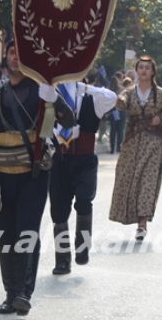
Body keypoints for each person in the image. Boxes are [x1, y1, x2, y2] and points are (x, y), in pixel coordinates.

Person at [0, 41, 74, 317]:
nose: (16, 58)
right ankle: (10, 293)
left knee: (27, 232)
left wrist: (52, 98)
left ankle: (25, 293)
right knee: (4, 234)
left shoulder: (41, 90)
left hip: (32, 174)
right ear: (6, 57)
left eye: (21, 54)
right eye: (13, 53)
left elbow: (69, 118)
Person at [50, 75, 117, 275]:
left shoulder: (91, 98)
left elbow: (112, 98)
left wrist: (87, 89)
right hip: (60, 159)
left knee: (84, 201)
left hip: (85, 159)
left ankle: (82, 247)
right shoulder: (52, 96)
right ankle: (62, 259)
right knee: (59, 210)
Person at [109, 56, 162, 241]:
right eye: (141, 67)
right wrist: (119, 101)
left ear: (153, 71)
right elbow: (120, 102)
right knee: (129, 178)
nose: (144, 71)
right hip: (132, 143)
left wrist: (161, 120)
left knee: (148, 181)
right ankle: (128, 215)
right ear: (137, 70)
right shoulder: (130, 92)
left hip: (153, 143)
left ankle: (142, 223)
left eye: (147, 68)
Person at [108, 73, 125, 154]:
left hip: (112, 111)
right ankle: (119, 147)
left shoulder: (109, 90)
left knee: (113, 130)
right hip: (121, 111)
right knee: (120, 130)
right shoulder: (122, 89)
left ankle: (112, 148)